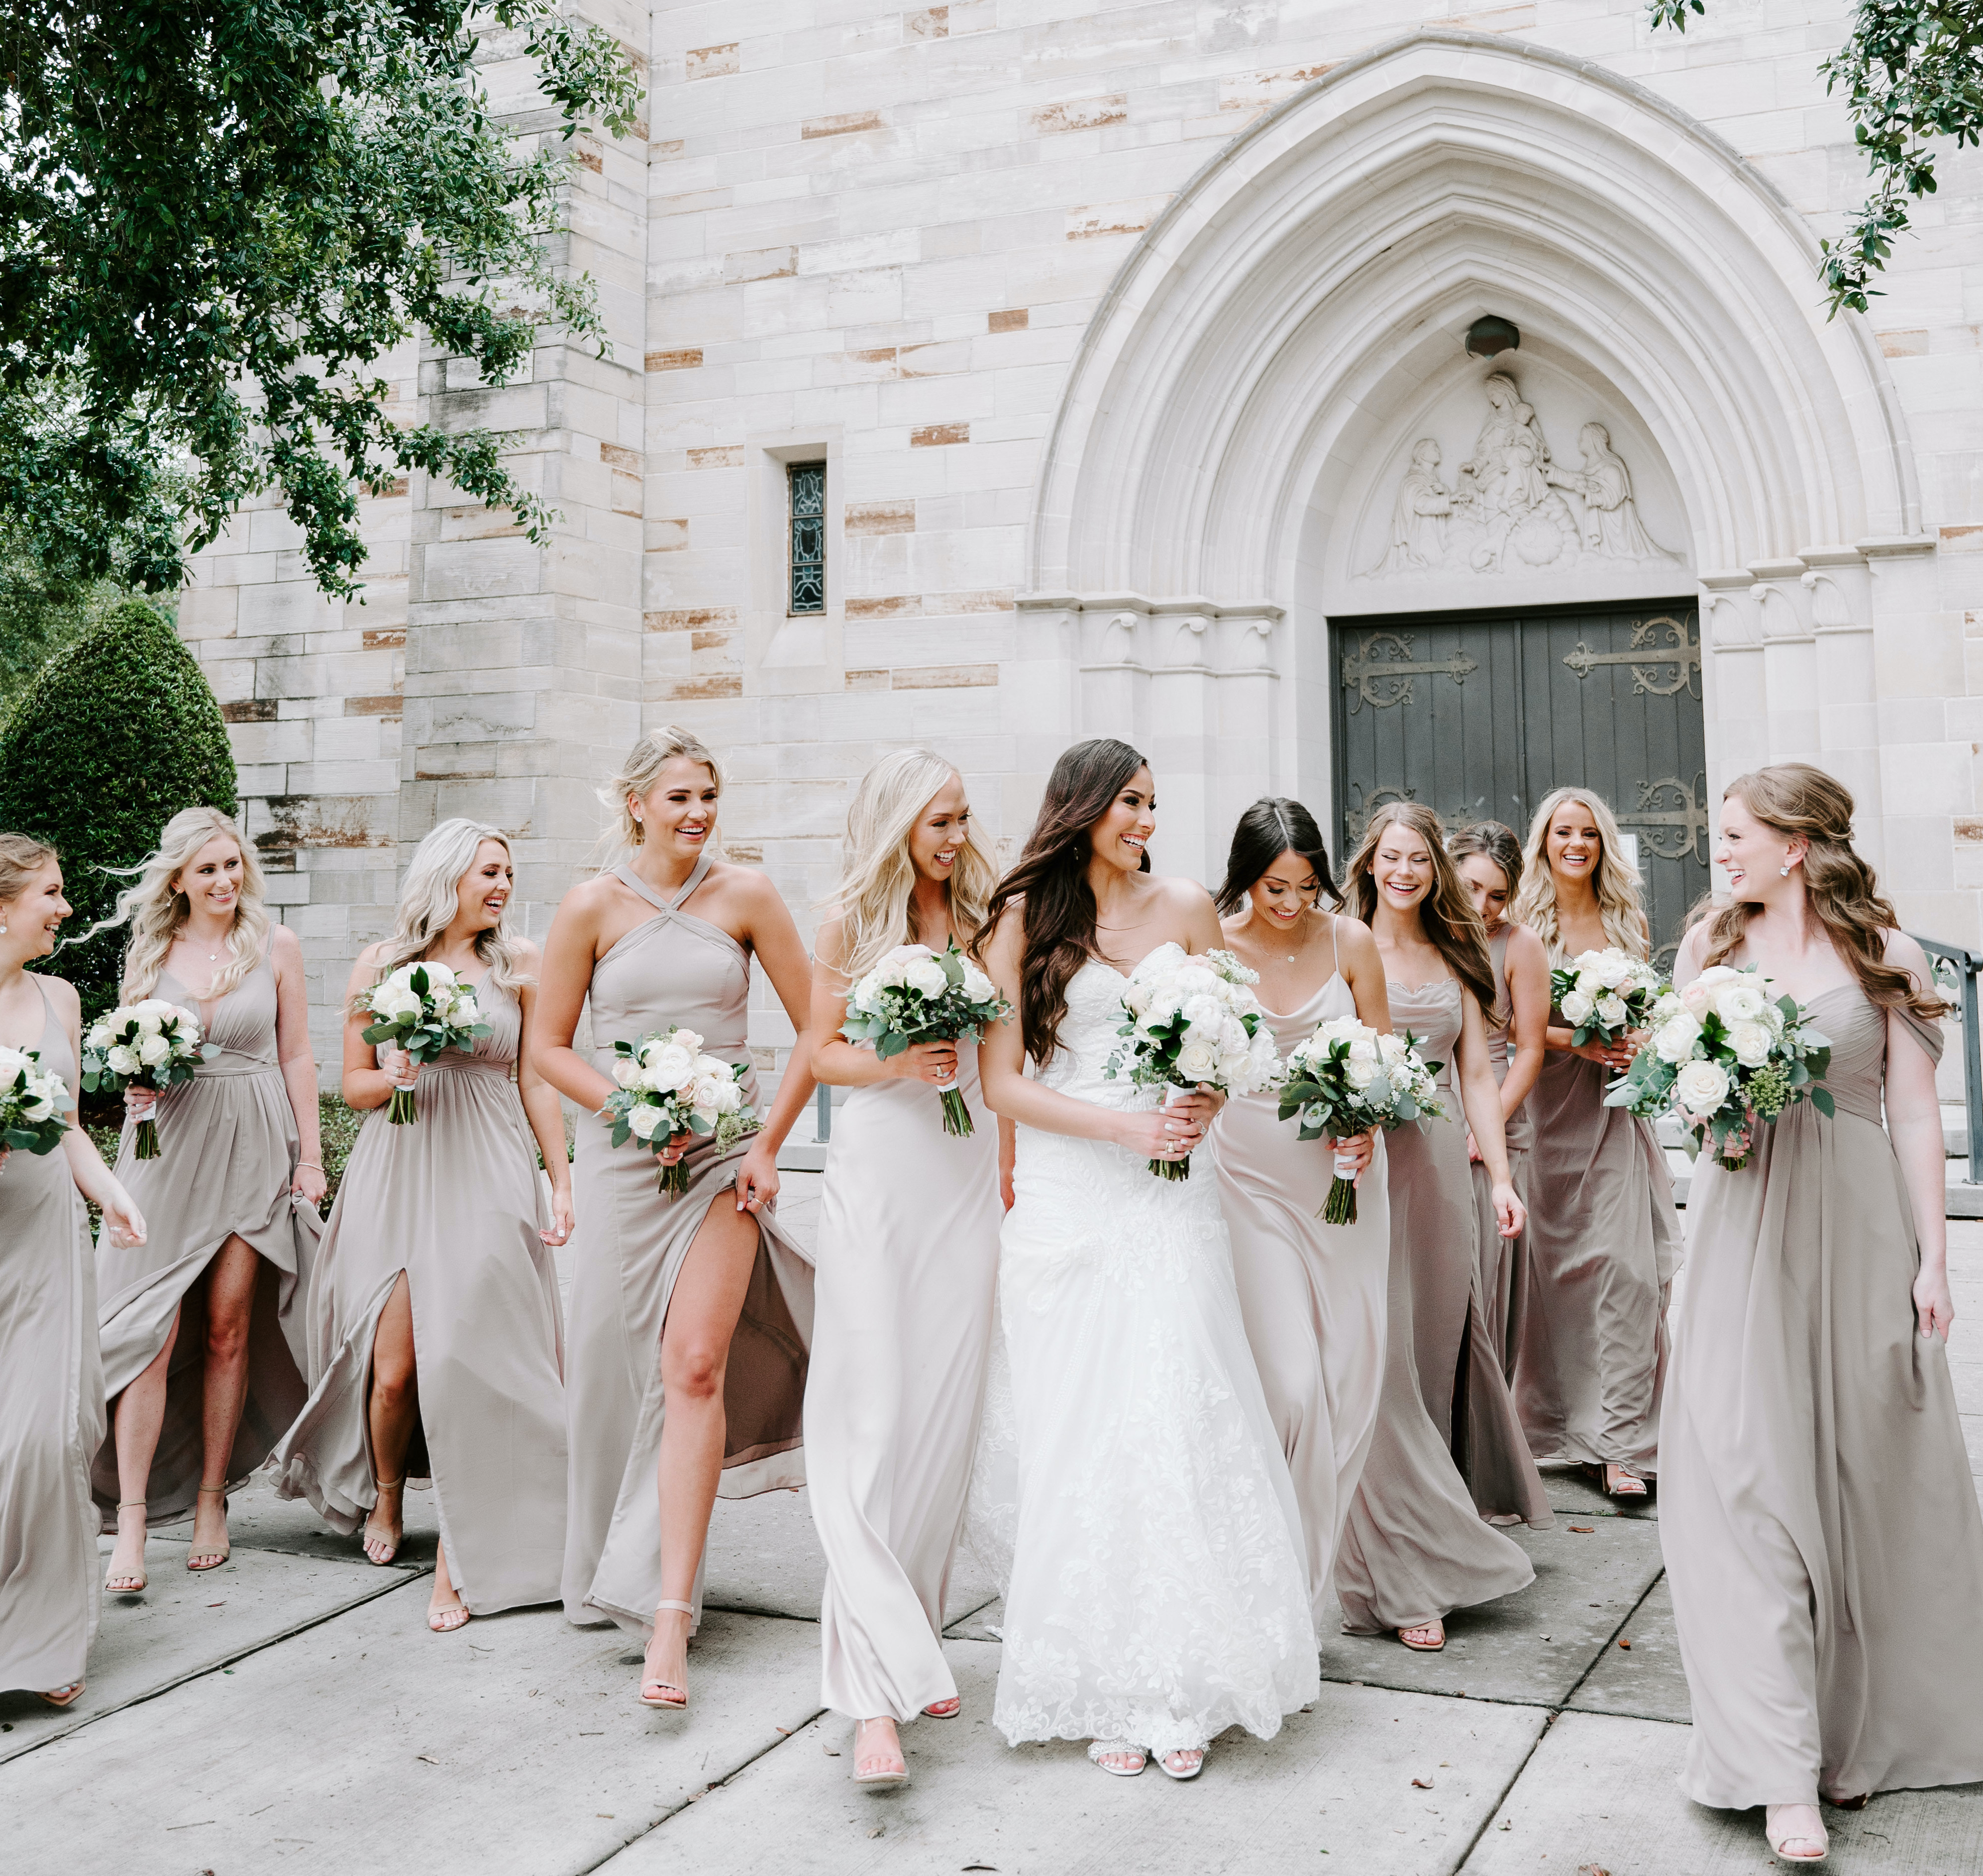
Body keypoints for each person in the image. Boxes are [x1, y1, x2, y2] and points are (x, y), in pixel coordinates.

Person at [973, 738, 1317, 1783]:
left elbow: (1232, 1039)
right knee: (1081, 1429)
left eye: (1152, 805)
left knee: (1174, 1411)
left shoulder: (1181, 909)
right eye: (1129, 802)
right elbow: (1001, 1085)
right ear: (1079, 805)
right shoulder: (1019, 919)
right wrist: (1117, 1133)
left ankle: (1184, 1679)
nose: (1145, 821)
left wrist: (1205, 1094)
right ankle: (1103, 1679)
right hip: (1073, 1191)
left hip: (1173, 1196)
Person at [1661, 764, 1983, 1863]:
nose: (1722, 851)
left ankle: (1857, 1729)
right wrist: (1716, 1124)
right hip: (1740, 1228)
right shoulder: (1706, 948)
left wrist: (1933, 1262)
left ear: (1795, 844)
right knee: (1743, 1479)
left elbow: (1906, 1116)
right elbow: (1680, 1098)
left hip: (1853, 1233)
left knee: (1859, 1476)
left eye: (1737, 833)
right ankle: (1774, 1768)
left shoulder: (1883, 955)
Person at [536, 727, 817, 1713]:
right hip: (621, 1164)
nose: (698, 813)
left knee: (693, 1366)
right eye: (680, 798)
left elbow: (816, 1022)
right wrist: (623, 1104)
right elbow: (545, 1045)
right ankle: (603, 1563)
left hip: (719, 1165)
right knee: (615, 1374)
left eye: (709, 795)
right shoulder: (588, 907)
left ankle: (668, 1605)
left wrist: (767, 1143)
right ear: (636, 805)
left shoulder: (746, 895)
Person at [272, 822, 571, 1632]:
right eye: (489, 870)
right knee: (397, 1367)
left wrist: (560, 1178)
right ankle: (391, 1490)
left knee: (469, 1354)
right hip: (400, 1165)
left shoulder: (521, 966)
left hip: (491, 1165)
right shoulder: (382, 965)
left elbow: (537, 1080)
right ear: (447, 875)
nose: (504, 884)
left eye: (510, 870)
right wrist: (393, 1070)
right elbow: (353, 1083)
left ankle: (462, 1555)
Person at [805, 750, 1006, 1790]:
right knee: (871, 1417)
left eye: (962, 818)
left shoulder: (982, 921)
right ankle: (870, 1703)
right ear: (895, 825)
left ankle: (908, 1634)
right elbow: (819, 1054)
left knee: (939, 1415)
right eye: (936, 820)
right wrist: (895, 1061)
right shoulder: (846, 920)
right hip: (877, 1173)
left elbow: (1011, 1057)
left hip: (963, 1178)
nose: (953, 837)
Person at [1334, 802, 1548, 1654]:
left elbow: (1473, 1070)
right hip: (1355, 1162)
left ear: (1434, 870)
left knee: (1424, 1359)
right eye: (1390, 856)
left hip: (1434, 1166)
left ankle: (1412, 1541)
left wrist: (1497, 1174)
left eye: (1418, 858)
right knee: (1369, 1356)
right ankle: (1383, 1562)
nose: (1404, 871)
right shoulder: (1339, 943)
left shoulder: (1457, 954)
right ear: (1369, 862)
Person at [92, 807, 325, 1590]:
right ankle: (129, 1519)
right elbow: (127, 1055)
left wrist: (312, 1157)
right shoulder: (151, 951)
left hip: (256, 1141)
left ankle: (210, 1496)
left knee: (228, 1329)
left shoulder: (276, 944)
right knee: (146, 1331)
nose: (225, 881)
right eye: (208, 871)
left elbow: (296, 1054)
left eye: (233, 865)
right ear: (180, 881)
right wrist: (134, 1086)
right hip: (169, 1145)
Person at [1209, 798, 1392, 1628]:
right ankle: (1277, 1580)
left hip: (1345, 1177)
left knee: (1351, 1378)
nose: (1289, 903)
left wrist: (1365, 1125)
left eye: (1305, 884)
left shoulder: (1350, 941)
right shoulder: (1214, 943)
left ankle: (1313, 1573)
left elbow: (1386, 1065)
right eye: (1272, 886)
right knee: (1290, 1385)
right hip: (1247, 1177)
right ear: (1245, 876)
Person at [0, 838, 145, 1709]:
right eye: (51, 893)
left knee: (48, 1438)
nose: (65, 906)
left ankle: (46, 1635)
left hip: (48, 1232)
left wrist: (115, 1192)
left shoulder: (60, 995)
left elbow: (66, 1125)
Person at [1512, 788, 1680, 1499]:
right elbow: (1507, 1022)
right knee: (1550, 1277)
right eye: (1561, 832)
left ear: (1602, 843)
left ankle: (1619, 1441)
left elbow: (1645, 1006)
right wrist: (1577, 1041)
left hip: (1611, 1111)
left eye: (1586, 833)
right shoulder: (1522, 922)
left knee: (1622, 1269)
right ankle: (1555, 1430)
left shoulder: (1626, 919)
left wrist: (1635, 1041)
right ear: (1543, 842)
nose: (1574, 843)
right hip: (1543, 1107)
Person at [1450, 822, 1549, 1377]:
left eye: (1496, 895)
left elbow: (1530, 1049)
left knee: (1482, 1277)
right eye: (1470, 887)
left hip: (1496, 1114)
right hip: (1431, 1106)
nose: (1483, 905)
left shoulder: (1519, 944)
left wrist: (1485, 1127)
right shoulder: (1418, 933)